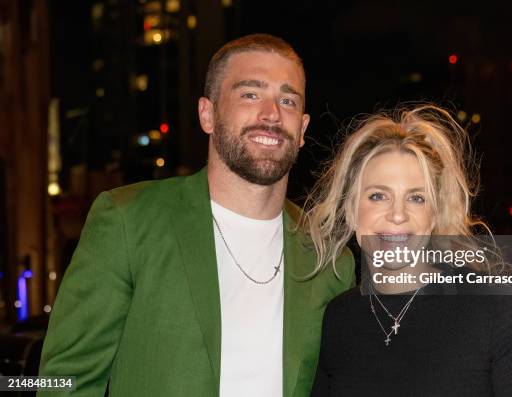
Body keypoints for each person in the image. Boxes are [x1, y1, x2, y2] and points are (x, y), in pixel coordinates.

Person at [37, 34, 354, 397]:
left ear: (302, 129)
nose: (271, 114)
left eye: (287, 100)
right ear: (207, 114)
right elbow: (63, 382)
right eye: (250, 94)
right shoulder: (128, 220)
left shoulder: (329, 260)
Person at [305, 106, 512, 396]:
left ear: (434, 216)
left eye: (417, 198)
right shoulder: (339, 318)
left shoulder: (493, 307)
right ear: (351, 209)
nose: (398, 214)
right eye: (378, 196)